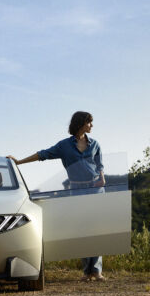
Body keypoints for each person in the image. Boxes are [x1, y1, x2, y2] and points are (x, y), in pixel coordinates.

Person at [7, 111, 106, 282]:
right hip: (76, 190)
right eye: (90, 122)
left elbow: (100, 164)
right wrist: (19, 162)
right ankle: (86, 272)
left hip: (95, 189)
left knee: (95, 229)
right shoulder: (64, 146)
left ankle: (96, 271)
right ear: (81, 123)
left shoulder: (95, 143)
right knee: (82, 230)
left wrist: (102, 178)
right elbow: (43, 154)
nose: (92, 126)